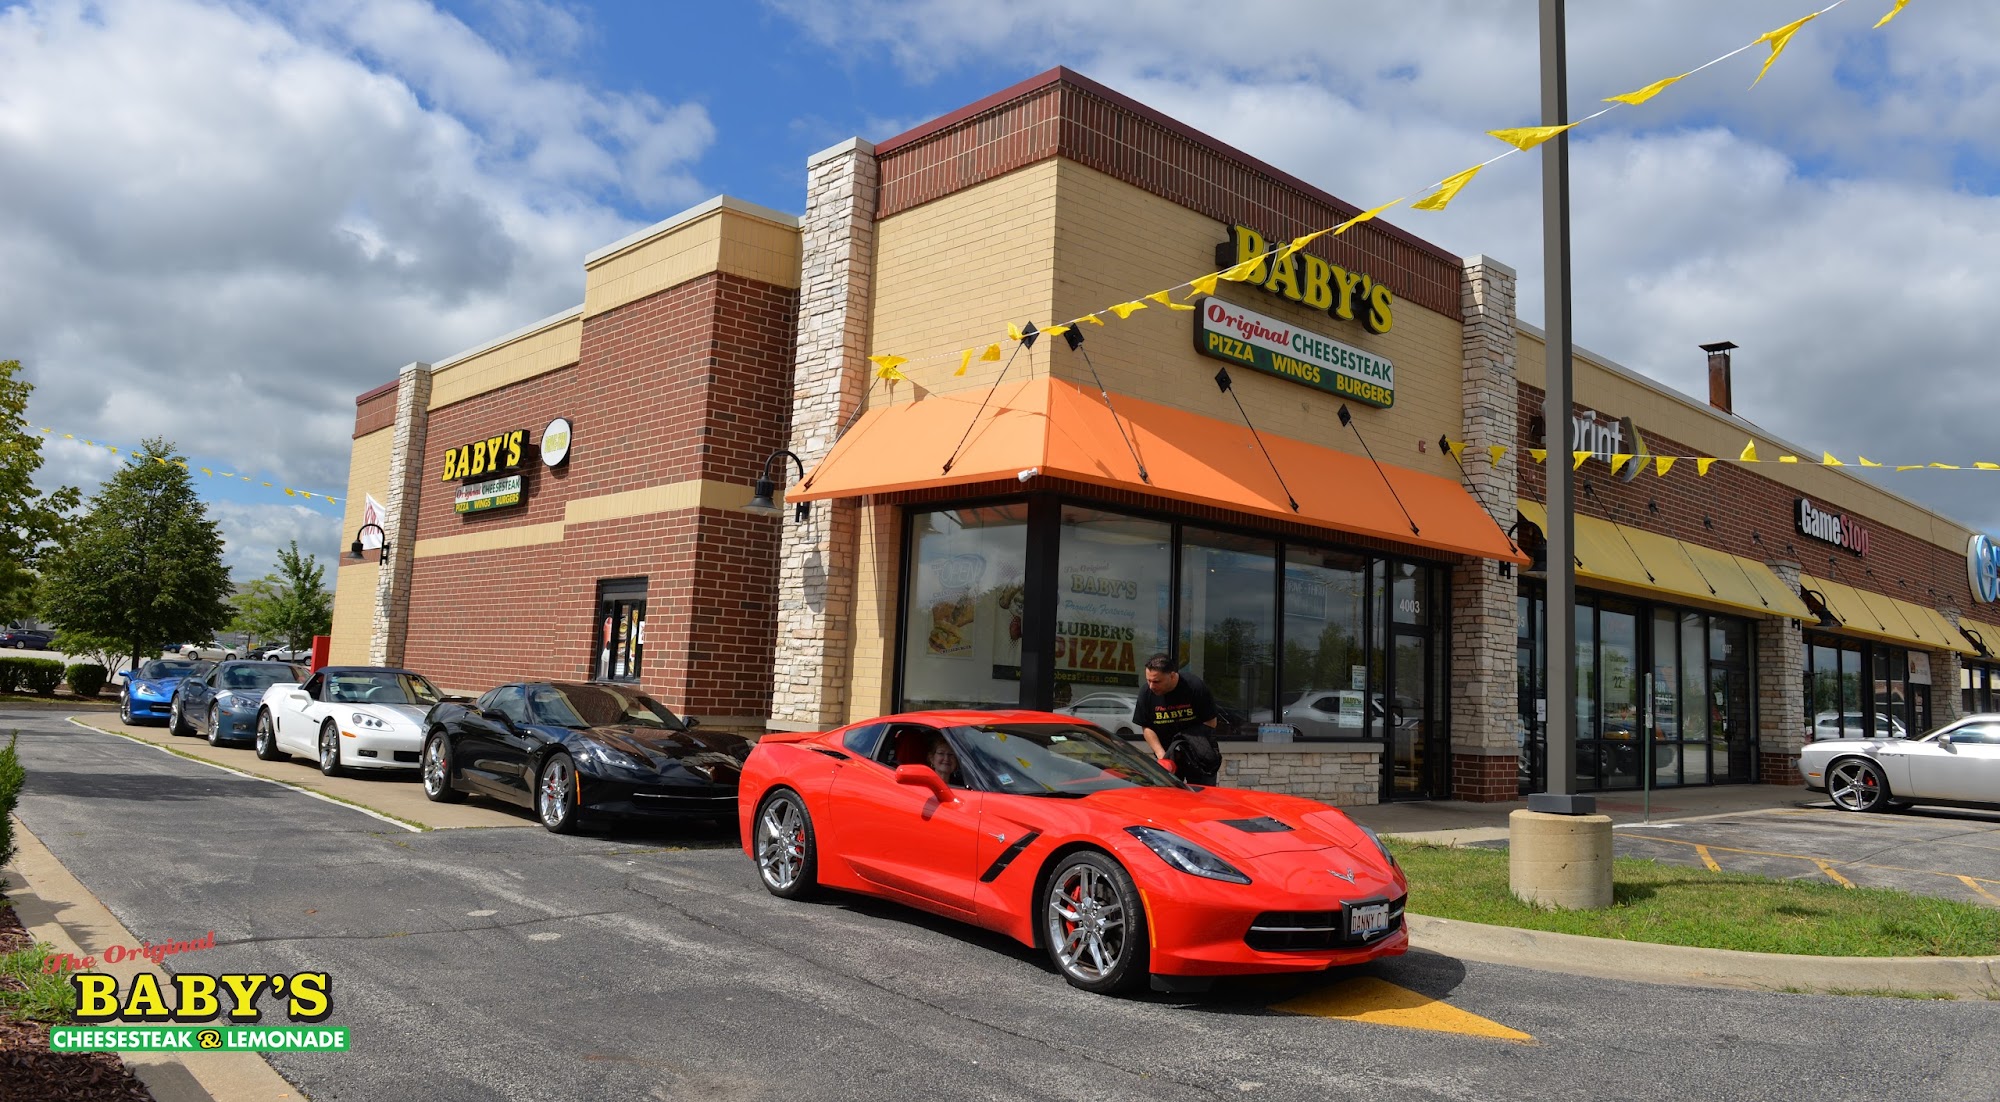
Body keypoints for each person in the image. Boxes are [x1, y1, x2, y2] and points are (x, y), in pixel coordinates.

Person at [1132, 654, 1222, 785]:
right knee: (1168, 798)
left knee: (1203, 797)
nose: (1151, 686)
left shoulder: (1195, 686)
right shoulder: (1147, 693)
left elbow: (1210, 722)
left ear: (1172, 676)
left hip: (1198, 755)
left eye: (1156, 681)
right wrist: (1161, 754)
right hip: (1168, 756)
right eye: (1148, 680)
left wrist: (1193, 747)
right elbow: (1147, 727)